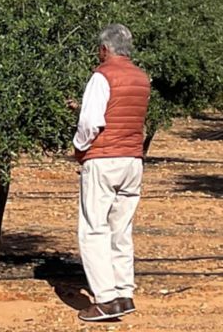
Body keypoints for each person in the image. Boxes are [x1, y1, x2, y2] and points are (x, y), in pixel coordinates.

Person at [69, 24, 149, 322]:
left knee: (93, 228)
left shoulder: (102, 76)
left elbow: (91, 122)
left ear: (105, 49)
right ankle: (124, 291)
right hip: (132, 160)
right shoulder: (141, 78)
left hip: (104, 159)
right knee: (121, 227)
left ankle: (105, 299)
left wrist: (79, 148)